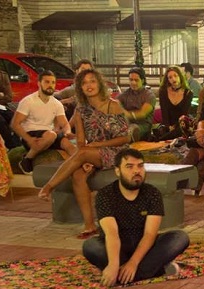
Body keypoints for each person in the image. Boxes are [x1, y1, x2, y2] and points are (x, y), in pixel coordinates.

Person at [38, 69, 130, 239]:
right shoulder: (81, 109)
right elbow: (80, 142)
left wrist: (96, 147)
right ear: (80, 88)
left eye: (92, 81)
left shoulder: (114, 105)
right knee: (78, 175)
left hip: (117, 151)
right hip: (93, 153)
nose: (89, 85)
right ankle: (89, 225)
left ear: (99, 84)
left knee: (84, 154)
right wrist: (86, 158)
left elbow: (125, 138)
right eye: (84, 83)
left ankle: (49, 187)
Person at [82, 148, 190, 287]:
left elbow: (150, 234)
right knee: (91, 246)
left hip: (144, 248)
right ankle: (153, 270)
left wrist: (133, 263)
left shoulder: (152, 193)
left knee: (180, 237)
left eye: (140, 166)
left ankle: (125, 274)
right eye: (129, 166)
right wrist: (114, 264)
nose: (136, 171)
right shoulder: (105, 195)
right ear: (117, 171)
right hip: (116, 248)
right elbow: (111, 233)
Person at [12, 70, 78, 175]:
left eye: (53, 83)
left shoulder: (56, 104)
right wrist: (29, 139)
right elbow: (15, 124)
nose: (50, 85)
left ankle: (80, 166)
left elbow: (64, 124)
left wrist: (67, 132)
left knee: (68, 145)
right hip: (32, 134)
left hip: (49, 135)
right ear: (39, 83)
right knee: (51, 135)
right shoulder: (28, 101)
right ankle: (27, 159)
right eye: (47, 82)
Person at [117, 67, 156, 142]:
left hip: (143, 126)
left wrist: (125, 114)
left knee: (133, 129)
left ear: (143, 80)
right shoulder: (126, 94)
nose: (133, 83)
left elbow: (142, 114)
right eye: (131, 80)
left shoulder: (149, 95)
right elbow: (115, 103)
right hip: (127, 124)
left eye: (136, 80)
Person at [155, 66, 193, 141]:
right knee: (162, 130)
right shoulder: (163, 92)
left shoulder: (188, 93)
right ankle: (163, 137)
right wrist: (168, 126)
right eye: (170, 77)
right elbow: (164, 112)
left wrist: (175, 126)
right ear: (167, 80)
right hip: (167, 123)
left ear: (180, 76)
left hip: (181, 124)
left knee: (180, 131)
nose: (173, 79)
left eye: (175, 76)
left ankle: (162, 138)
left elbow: (185, 113)